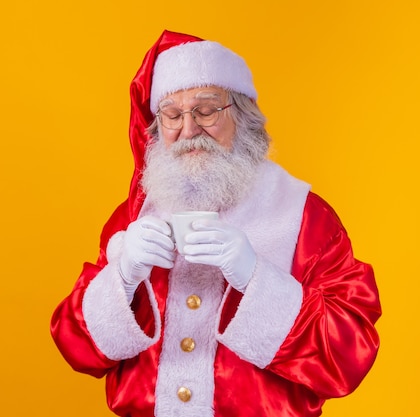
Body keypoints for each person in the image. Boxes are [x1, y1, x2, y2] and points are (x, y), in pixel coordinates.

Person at [51, 30, 381, 417]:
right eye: (172, 115)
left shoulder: (305, 216)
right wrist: (121, 278)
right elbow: (77, 347)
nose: (188, 130)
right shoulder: (133, 217)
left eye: (205, 111)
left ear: (242, 116)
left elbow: (348, 357)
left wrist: (255, 278)